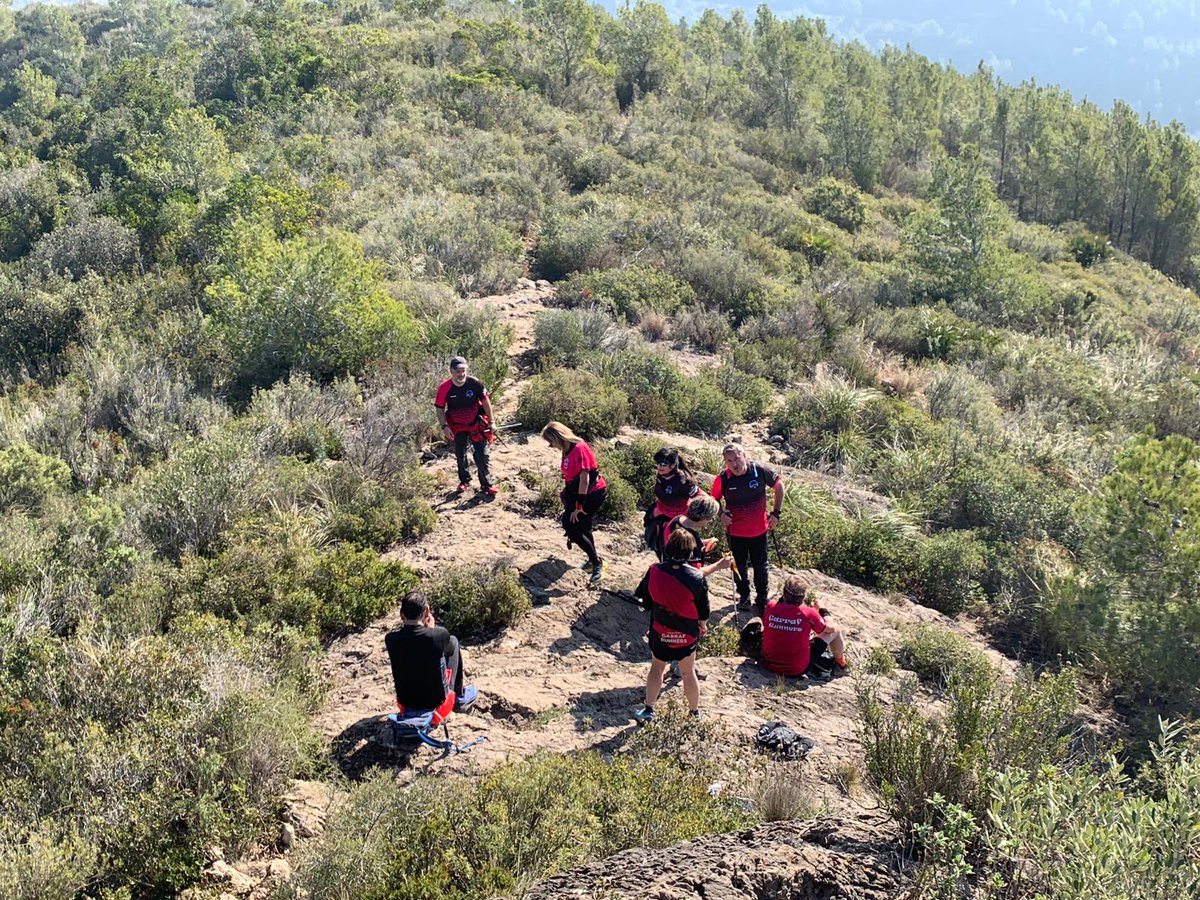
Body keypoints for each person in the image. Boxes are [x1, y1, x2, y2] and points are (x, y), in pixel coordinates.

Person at [632, 529, 710, 722]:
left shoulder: (654, 570)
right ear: (690, 552)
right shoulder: (697, 577)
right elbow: (704, 610)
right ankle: (694, 713)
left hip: (660, 632)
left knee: (657, 669)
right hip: (687, 635)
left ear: (667, 548)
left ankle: (649, 710)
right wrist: (703, 624)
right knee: (688, 672)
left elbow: (645, 601)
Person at [709, 443, 785, 615]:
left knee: (761, 566)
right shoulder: (723, 478)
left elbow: (779, 485)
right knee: (738, 566)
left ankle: (762, 599)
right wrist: (721, 514)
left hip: (759, 530)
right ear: (725, 462)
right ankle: (744, 596)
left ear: (744, 455)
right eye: (729, 461)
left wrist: (776, 513)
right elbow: (713, 499)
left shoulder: (758, 470)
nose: (734, 464)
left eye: (737, 458)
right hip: (735, 532)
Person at [384, 591, 477, 719]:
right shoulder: (438, 635)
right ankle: (458, 697)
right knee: (453, 642)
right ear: (426, 611)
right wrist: (431, 629)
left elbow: (412, 646)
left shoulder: (391, 639)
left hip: (405, 706)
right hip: (438, 708)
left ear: (401, 614)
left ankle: (458, 697)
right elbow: (445, 649)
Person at [542, 421, 607, 584]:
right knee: (583, 527)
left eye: (551, 442)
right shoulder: (567, 450)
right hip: (577, 493)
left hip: (591, 494)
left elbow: (584, 480)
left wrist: (578, 506)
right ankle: (593, 560)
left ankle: (597, 563)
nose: (551, 446)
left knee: (573, 527)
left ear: (557, 437)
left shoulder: (580, 448)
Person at [761, 575, 847, 677]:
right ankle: (841, 663)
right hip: (796, 670)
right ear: (802, 597)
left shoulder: (771, 607)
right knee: (836, 629)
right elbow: (830, 628)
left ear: (784, 592)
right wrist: (823, 610)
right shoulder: (808, 613)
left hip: (768, 665)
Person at [435, 356, 496, 497]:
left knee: (482, 454)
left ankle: (487, 484)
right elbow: (439, 408)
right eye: (458, 371)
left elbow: (486, 402)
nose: (461, 374)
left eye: (464, 370)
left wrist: (492, 422)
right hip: (457, 426)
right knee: (460, 454)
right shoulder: (444, 388)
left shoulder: (474, 384)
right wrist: (444, 426)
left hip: (476, 424)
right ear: (451, 371)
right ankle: (464, 481)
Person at [644, 447, 700, 556]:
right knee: (649, 524)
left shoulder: (684, 480)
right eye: (658, 463)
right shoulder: (662, 474)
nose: (660, 467)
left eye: (664, 464)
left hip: (677, 516)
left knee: (675, 545)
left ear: (673, 465)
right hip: (661, 509)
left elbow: (698, 495)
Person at [660, 495, 732, 578]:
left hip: (665, 569)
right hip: (681, 582)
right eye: (711, 518)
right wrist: (719, 565)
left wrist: (702, 543)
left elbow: (678, 542)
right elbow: (695, 573)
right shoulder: (694, 541)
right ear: (703, 518)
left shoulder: (677, 520)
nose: (710, 521)